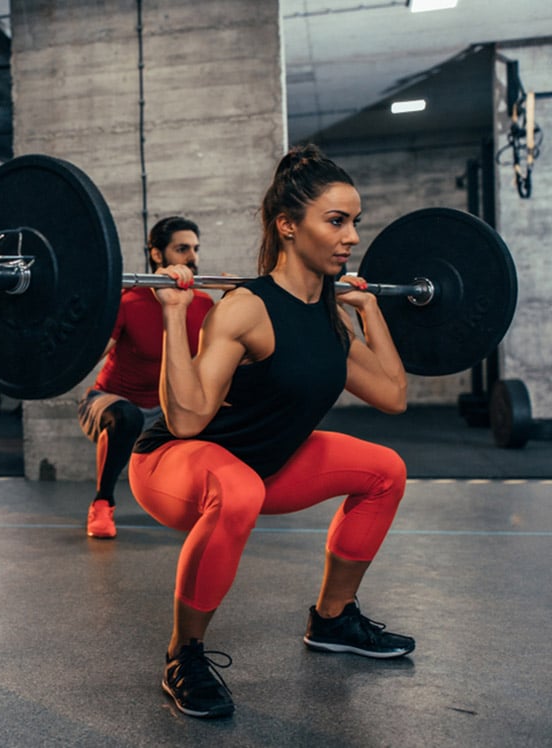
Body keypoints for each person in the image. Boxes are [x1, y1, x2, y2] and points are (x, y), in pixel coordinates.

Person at [129, 144, 414, 719]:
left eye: (354, 222)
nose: (352, 237)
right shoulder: (245, 308)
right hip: (176, 462)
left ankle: (333, 619)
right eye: (336, 221)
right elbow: (187, 418)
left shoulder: (329, 315)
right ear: (287, 225)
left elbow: (392, 395)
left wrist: (370, 310)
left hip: (266, 462)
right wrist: (168, 313)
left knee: (386, 471)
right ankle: (183, 654)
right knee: (239, 491)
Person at [77, 217, 213, 538]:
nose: (192, 258)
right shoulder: (129, 301)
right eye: (182, 249)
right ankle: (102, 503)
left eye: (194, 249)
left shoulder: (204, 304)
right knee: (126, 417)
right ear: (156, 254)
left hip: (166, 411)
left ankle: (198, 502)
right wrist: (97, 306)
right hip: (113, 404)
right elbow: (84, 357)